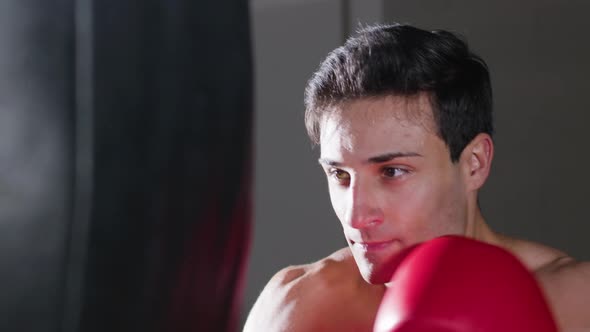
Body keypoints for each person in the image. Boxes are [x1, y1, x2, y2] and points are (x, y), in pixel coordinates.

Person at [243, 23, 590, 332]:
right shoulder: (298, 306)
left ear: (474, 163)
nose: (356, 216)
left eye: (392, 172)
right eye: (340, 174)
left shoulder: (574, 303)